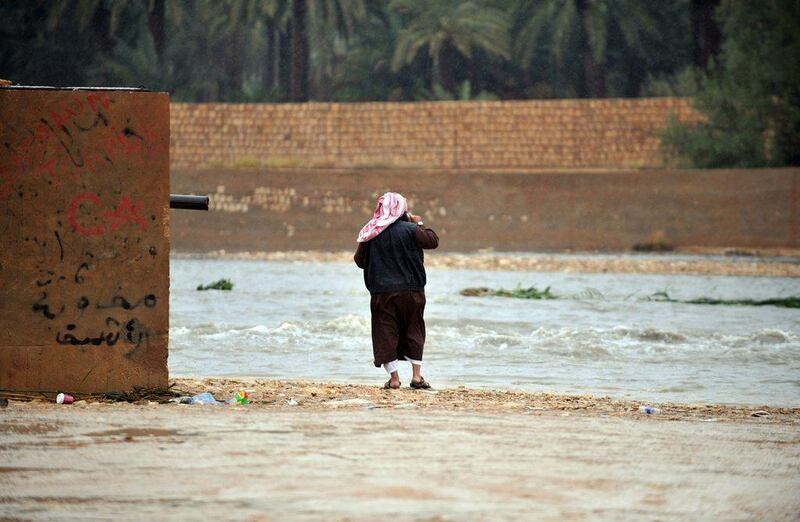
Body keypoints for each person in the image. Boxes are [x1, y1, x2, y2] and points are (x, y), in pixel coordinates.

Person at [354, 192, 439, 390]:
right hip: (412, 292)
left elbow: (359, 261)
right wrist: (418, 223)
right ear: (402, 210)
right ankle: (417, 378)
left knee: (386, 333)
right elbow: (432, 241)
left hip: (382, 293)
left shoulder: (370, 232)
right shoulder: (411, 230)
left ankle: (394, 380)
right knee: (414, 330)